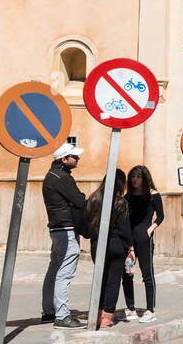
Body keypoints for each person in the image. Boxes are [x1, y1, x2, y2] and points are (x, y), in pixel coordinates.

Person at [41, 141, 87, 329]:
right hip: (66, 229)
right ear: (64, 159)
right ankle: (62, 315)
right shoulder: (63, 178)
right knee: (65, 272)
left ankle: (48, 311)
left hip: (57, 228)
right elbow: (80, 200)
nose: (77, 159)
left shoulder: (51, 175)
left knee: (54, 269)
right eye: (74, 156)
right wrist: (75, 202)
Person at [86, 169, 135, 329]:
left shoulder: (93, 198)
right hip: (116, 245)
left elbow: (85, 223)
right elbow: (124, 228)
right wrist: (130, 247)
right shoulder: (120, 202)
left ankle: (97, 314)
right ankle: (107, 317)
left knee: (100, 280)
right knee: (113, 281)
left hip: (97, 244)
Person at [122, 165, 165, 322]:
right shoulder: (128, 197)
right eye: (133, 176)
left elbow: (160, 216)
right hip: (129, 241)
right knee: (127, 274)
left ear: (145, 178)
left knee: (147, 274)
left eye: (138, 176)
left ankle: (150, 310)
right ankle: (131, 308)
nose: (135, 179)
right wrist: (128, 243)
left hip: (144, 239)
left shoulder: (153, 195)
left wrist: (151, 229)